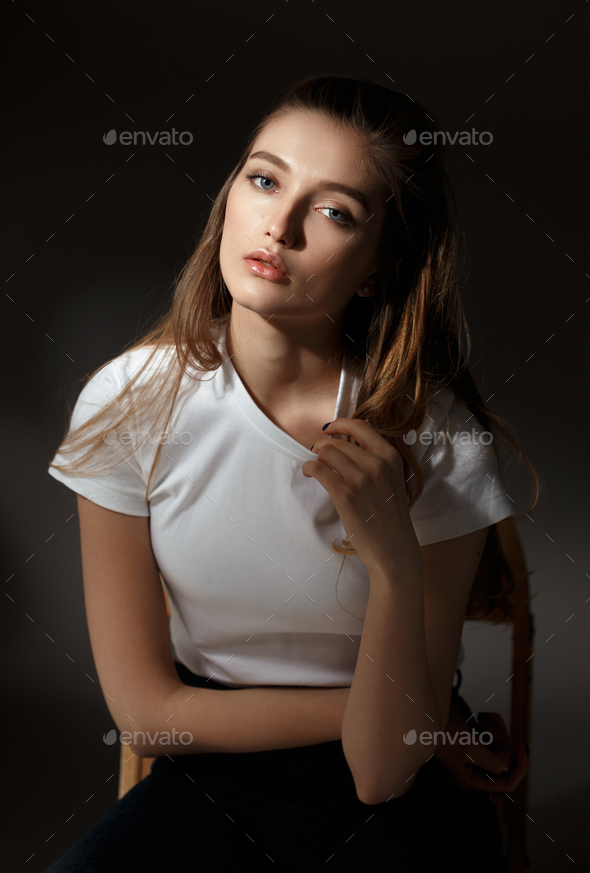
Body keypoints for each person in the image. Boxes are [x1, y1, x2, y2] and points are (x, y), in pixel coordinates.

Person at [44, 74, 536, 872]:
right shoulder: (130, 401)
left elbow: (381, 771)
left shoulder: (435, 435)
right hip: (211, 769)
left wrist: (392, 564)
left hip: (400, 793)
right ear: (230, 194)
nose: (280, 224)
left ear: (377, 265)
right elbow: (146, 712)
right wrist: (425, 713)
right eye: (265, 179)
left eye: (335, 211)